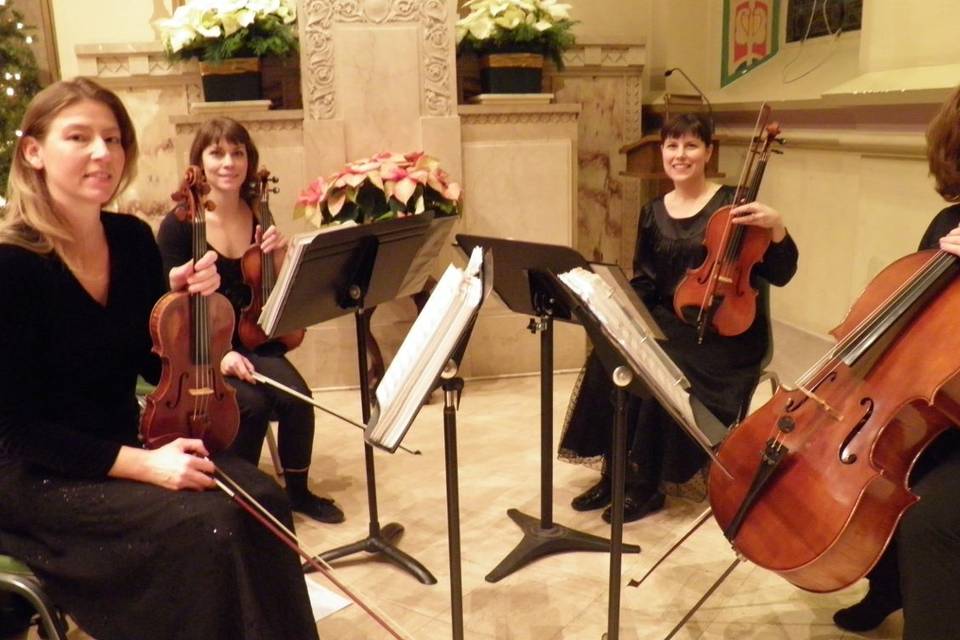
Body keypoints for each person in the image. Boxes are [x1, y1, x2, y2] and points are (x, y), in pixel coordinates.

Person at [0, 78, 320, 639]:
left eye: (113, 138)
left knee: (260, 495)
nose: (103, 153)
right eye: (79, 137)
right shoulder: (11, 264)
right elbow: (18, 429)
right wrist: (146, 464)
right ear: (34, 151)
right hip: (37, 475)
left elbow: (153, 367)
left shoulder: (130, 239)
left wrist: (184, 321)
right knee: (209, 523)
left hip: (122, 440)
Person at [558, 112, 799, 523]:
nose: (680, 154)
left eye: (690, 145)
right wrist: (619, 312)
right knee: (612, 354)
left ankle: (647, 484)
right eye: (672, 145)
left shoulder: (735, 206)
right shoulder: (653, 210)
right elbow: (647, 280)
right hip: (672, 317)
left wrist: (777, 229)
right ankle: (614, 471)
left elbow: (781, 272)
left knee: (662, 368)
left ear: (708, 151)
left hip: (728, 334)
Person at [157, 117, 344, 524]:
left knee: (297, 398)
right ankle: (242, 501)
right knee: (251, 406)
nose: (229, 162)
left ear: (249, 159)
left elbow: (269, 287)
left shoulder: (258, 211)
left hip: (250, 337)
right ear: (199, 162)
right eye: (217, 152)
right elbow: (166, 307)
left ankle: (297, 492)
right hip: (198, 344)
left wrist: (278, 256)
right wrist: (218, 356)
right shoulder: (178, 224)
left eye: (237, 152)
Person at [831, 85, 960, 640]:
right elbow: (908, 328)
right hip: (946, 411)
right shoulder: (946, 223)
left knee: (929, 518)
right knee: (883, 473)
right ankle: (887, 588)